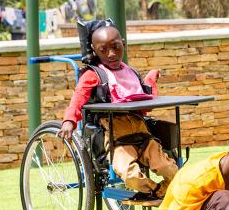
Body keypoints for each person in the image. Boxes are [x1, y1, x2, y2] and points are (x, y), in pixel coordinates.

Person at [58, 19, 175, 199]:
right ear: (94, 51)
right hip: (115, 139)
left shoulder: (131, 73)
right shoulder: (93, 75)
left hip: (141, 131)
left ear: (124, 45)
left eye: (115, 47)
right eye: (103, 50)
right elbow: (79, 96)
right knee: (130, 175)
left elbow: (146, 104)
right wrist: (69, 120)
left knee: (169, 167)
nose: (111, 54)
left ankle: (166, 190)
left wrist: (150, 81)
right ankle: (155, 191)